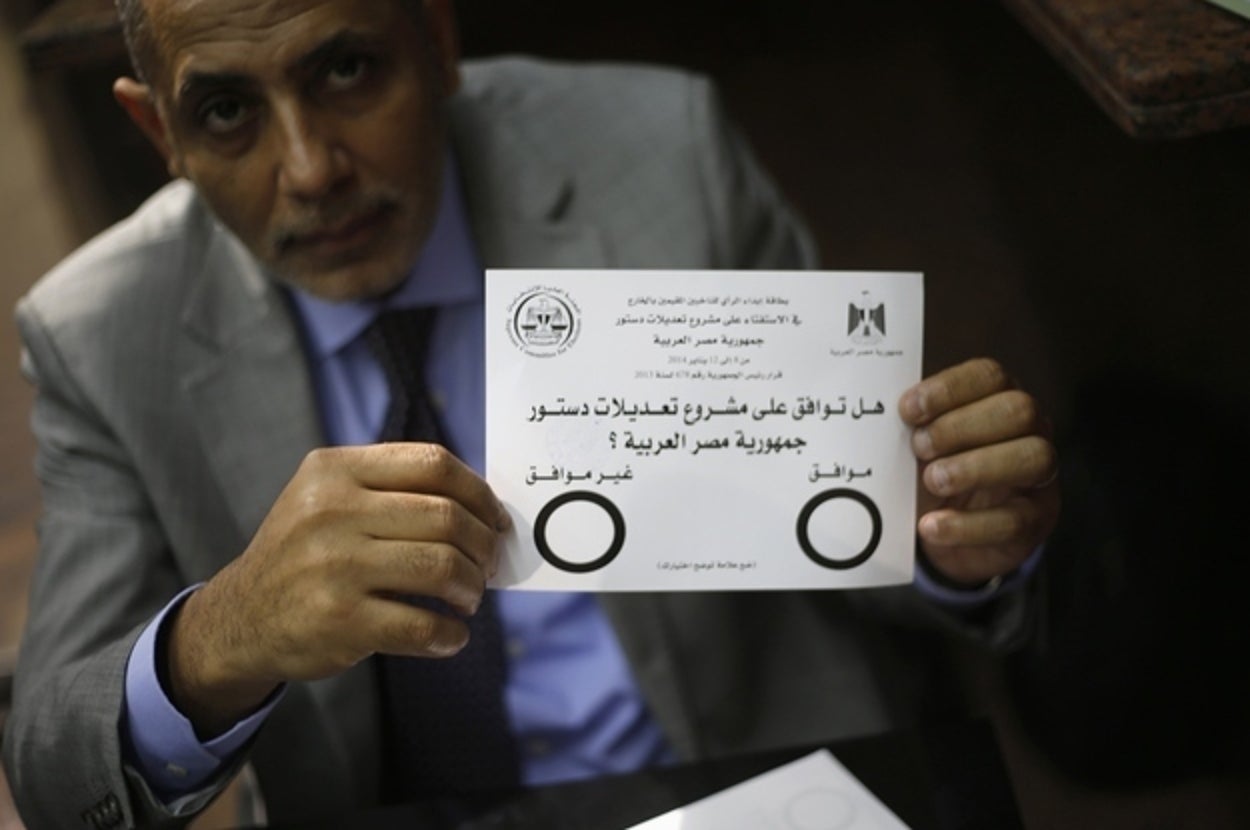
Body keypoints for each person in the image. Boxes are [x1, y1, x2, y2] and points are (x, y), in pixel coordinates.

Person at [1, 0, 1060, 827]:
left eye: (348, 70)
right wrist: (226, 631)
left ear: (436, 42)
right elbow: (51, 769)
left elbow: (856, 536)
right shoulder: (98, 333)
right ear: (159, 130)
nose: (312, 170)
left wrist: (945, 535)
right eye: (227, 112)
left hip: (753, 783)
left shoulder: (661, 150)